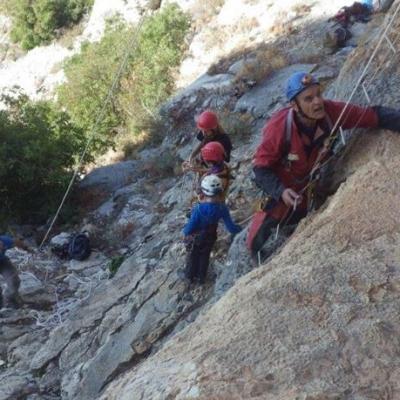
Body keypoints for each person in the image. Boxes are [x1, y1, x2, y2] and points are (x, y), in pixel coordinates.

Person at [247, 71, 400, 260]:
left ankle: (290, 229)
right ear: (294, 105)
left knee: (300, 214)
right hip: (282, 183)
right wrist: (280, 191)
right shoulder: (279, 128)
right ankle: (254, 252)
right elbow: (260, 167)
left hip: (306, 183)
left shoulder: (332, 113)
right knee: (265, 225)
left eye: (319, 94)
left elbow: (372, 115)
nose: (318, 102)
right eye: (308, 98)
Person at [182, 175, 241, 285]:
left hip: (197, 237)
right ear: (219, 192)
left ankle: (189, 277)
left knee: (193, 256)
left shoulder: (199, 209)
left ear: (204, 192)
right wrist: (240, 229)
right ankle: (201, 279)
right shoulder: (222, 208)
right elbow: (231, 227)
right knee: (205, 256)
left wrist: (185, 232)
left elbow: (190, 227)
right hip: (210, 236)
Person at [0, 235, 30, 309]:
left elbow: (17, 242)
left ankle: (10, 299)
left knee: (14, 280)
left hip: (2, 261)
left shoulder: (5, 240)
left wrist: (27, 248)